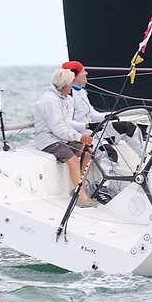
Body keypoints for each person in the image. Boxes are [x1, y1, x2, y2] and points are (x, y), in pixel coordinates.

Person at [34, 69, 96, 207]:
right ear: (64, 86)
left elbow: (66, 124)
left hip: (61, 137)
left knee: (87, 151)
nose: (71, 87)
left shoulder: (66, 98)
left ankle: (80, 188)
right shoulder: (49, 101)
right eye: (70, 84)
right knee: (73, 159)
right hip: (48, 139)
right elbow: (58, 128)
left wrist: (80, 138)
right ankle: (81, 197)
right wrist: (79, 137)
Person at [61, 61, 143, 154]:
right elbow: (66, 123)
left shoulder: (81, 92)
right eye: (83, 71)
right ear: (74, 76)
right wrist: (87, 126)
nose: (86, 73)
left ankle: (144, 161)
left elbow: (92, 114)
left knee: (129, 128)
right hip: (82, 135)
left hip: (94, 130)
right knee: (109, 154)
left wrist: (107, 116)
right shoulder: (68, 96)